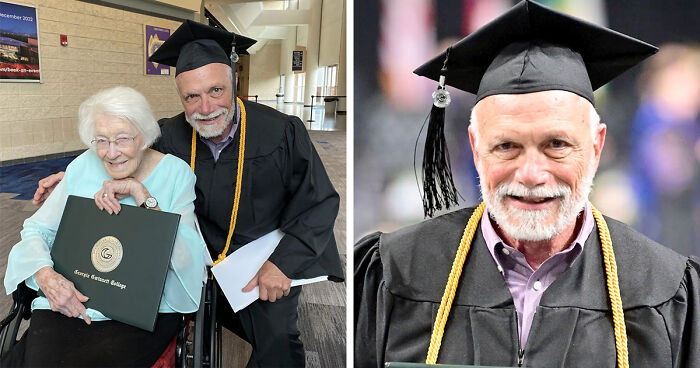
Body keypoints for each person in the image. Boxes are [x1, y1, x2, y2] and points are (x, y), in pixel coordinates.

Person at [355, 1, 700, 367]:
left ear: (596, 148)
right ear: (475, 149)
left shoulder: (665, 290)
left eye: (557, 145)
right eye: (506, 146)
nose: (532, 174)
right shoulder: (394, 273)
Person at [33, 20, 344, 367]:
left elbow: (318, 203)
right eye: (191, 97)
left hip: (259, 259)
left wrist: (283, 265)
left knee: (278, 343)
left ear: (234, 81)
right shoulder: (170, 133)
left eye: (216, 91)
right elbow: (122, 152)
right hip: (188, 257)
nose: (206, 108)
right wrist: (72, 176)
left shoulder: (281, 132)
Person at [3, 86, 208, 367]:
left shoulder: (176, 174)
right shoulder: (82, 165)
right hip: (71, 302)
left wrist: (142, 194)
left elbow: (186, 257)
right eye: (101, 140)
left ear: (145, 137)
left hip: (141, 312)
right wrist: (45, 276)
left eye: (122, 139)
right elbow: (37, 230)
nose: (111, 153)